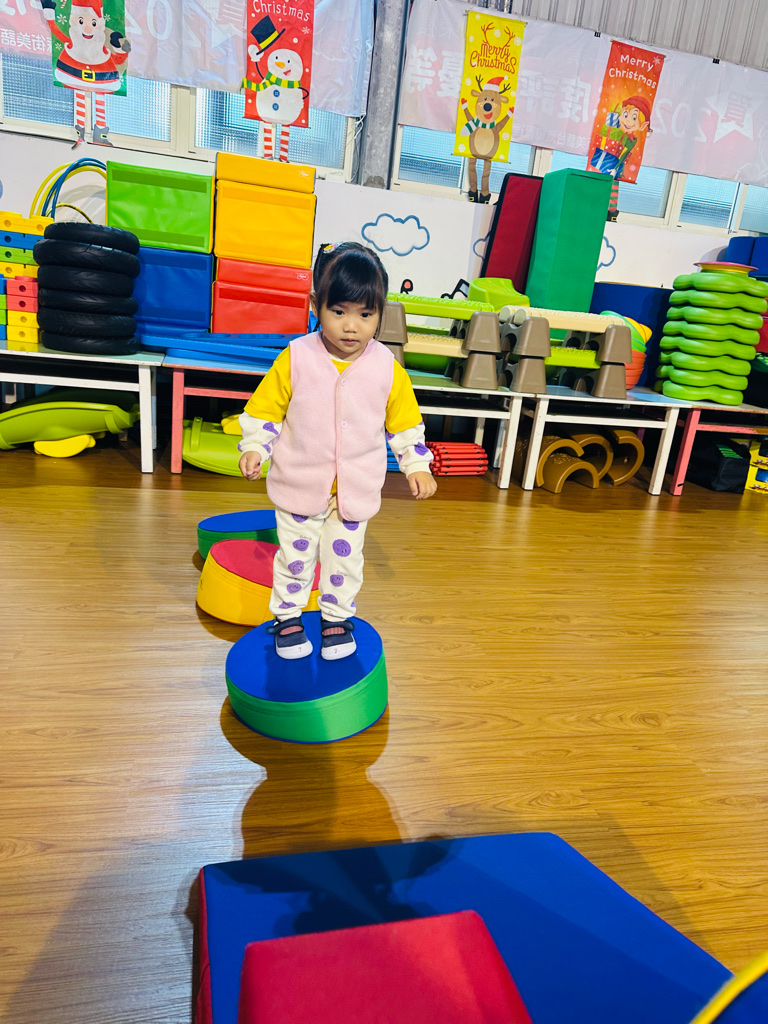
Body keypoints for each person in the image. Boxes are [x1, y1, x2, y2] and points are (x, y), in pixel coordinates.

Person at [238, 241, 437, 662]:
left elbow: (405, 424)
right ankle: (287, 617)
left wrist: (417, 465)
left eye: (366, 315)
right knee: (295, 557)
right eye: (339, 311)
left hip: (353, 492)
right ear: (316, 305)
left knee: (343, 561)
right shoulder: (296, 357)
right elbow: (266, 409)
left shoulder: (387, 368)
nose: (351, 327)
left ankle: (336, 619)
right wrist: (255, 446)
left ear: (381, 314)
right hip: (299, 484)